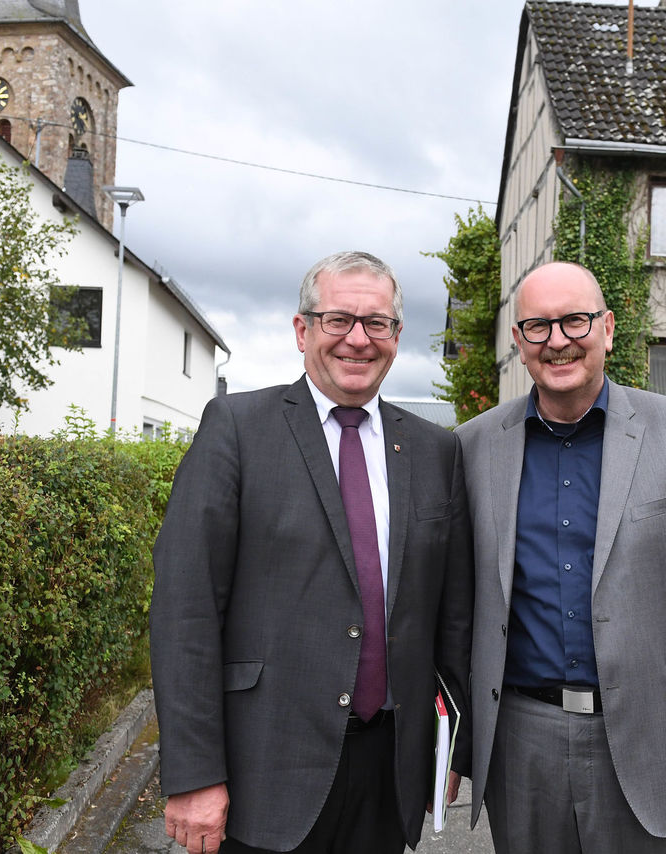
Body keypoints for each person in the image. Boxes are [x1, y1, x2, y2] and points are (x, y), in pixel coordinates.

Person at [151, 251, 473, 854]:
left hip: (389, 771)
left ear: (397, 337)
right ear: (303, 331)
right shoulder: (237, 428)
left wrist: (447, 749)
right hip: (264, 769)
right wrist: (195, 775)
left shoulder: (434, 451)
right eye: (338, 320)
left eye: (376, 323)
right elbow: (184, 609)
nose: (358, 339)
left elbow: (450, 620)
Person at [455, 261, 666, 853]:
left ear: (608, 329)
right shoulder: (472, 447)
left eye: (575, 320)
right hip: (524, 739)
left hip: (654, 729)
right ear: (519, 343)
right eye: (538, 327)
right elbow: (456, 604)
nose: (559, 341)